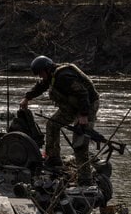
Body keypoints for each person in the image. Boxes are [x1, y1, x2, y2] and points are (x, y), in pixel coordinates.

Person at [19, 55, 100, 185]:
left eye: (40, 73)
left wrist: (84, 115)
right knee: (52, 125)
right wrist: (27, 98)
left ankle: (85, 179)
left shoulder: (64, 77)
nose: (40, 76)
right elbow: (41, 86)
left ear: (46, 69)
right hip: (71, 106)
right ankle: (53, 158)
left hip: (88, 105)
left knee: (79, 143)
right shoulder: (52, 76)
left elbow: (83, 93)